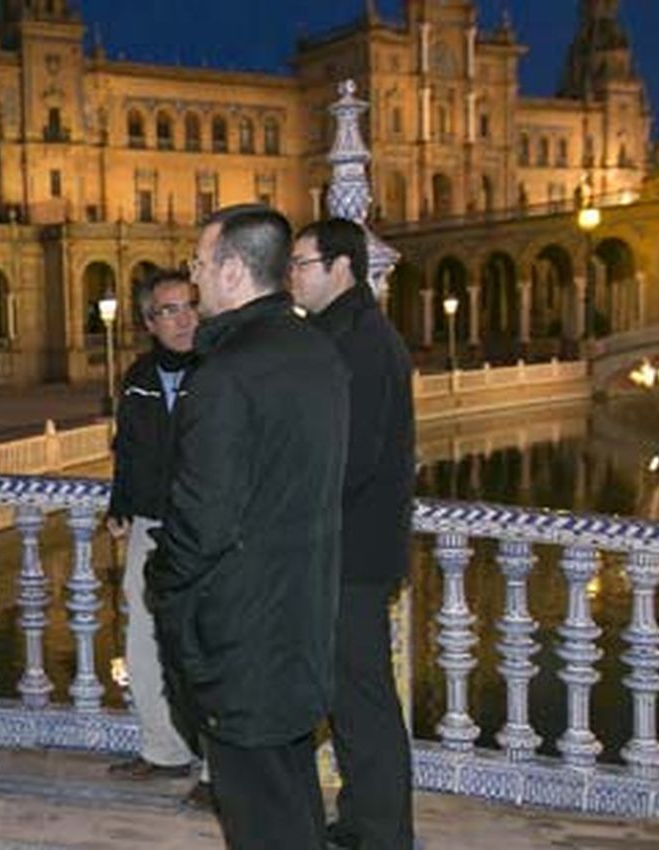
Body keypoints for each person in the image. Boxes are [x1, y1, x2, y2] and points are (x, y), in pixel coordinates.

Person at [146, 205, 350, 850]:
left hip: (240, 634)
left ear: (233, 271)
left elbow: (201, 520)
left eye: (201, 264)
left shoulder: (225, 376)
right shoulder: (316, 350)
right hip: (302, 615)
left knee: (258, 817)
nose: (195, 279)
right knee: (292, 801)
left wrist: (163, 584)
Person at [290, 218, 417, 850]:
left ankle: (385, 832)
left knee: (363, 698)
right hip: (347, 549)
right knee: (349, 694)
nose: (293, 275)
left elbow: (354, 456)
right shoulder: (344, 332)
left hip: (351, 553)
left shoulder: (361, 341)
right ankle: (368, 821)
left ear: (340, 266)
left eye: (302, 263)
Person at [105, 271, 204, 787]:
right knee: (143, 640)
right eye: (169, 310)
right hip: (150, 524)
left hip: (206, 529)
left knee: (207, 644)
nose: (184, 318)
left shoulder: (219, 368)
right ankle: (163, 749)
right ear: (149, 321)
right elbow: (129, 448)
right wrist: (121, 503)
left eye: (190, 305)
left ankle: (213, 766)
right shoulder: (140, 375)